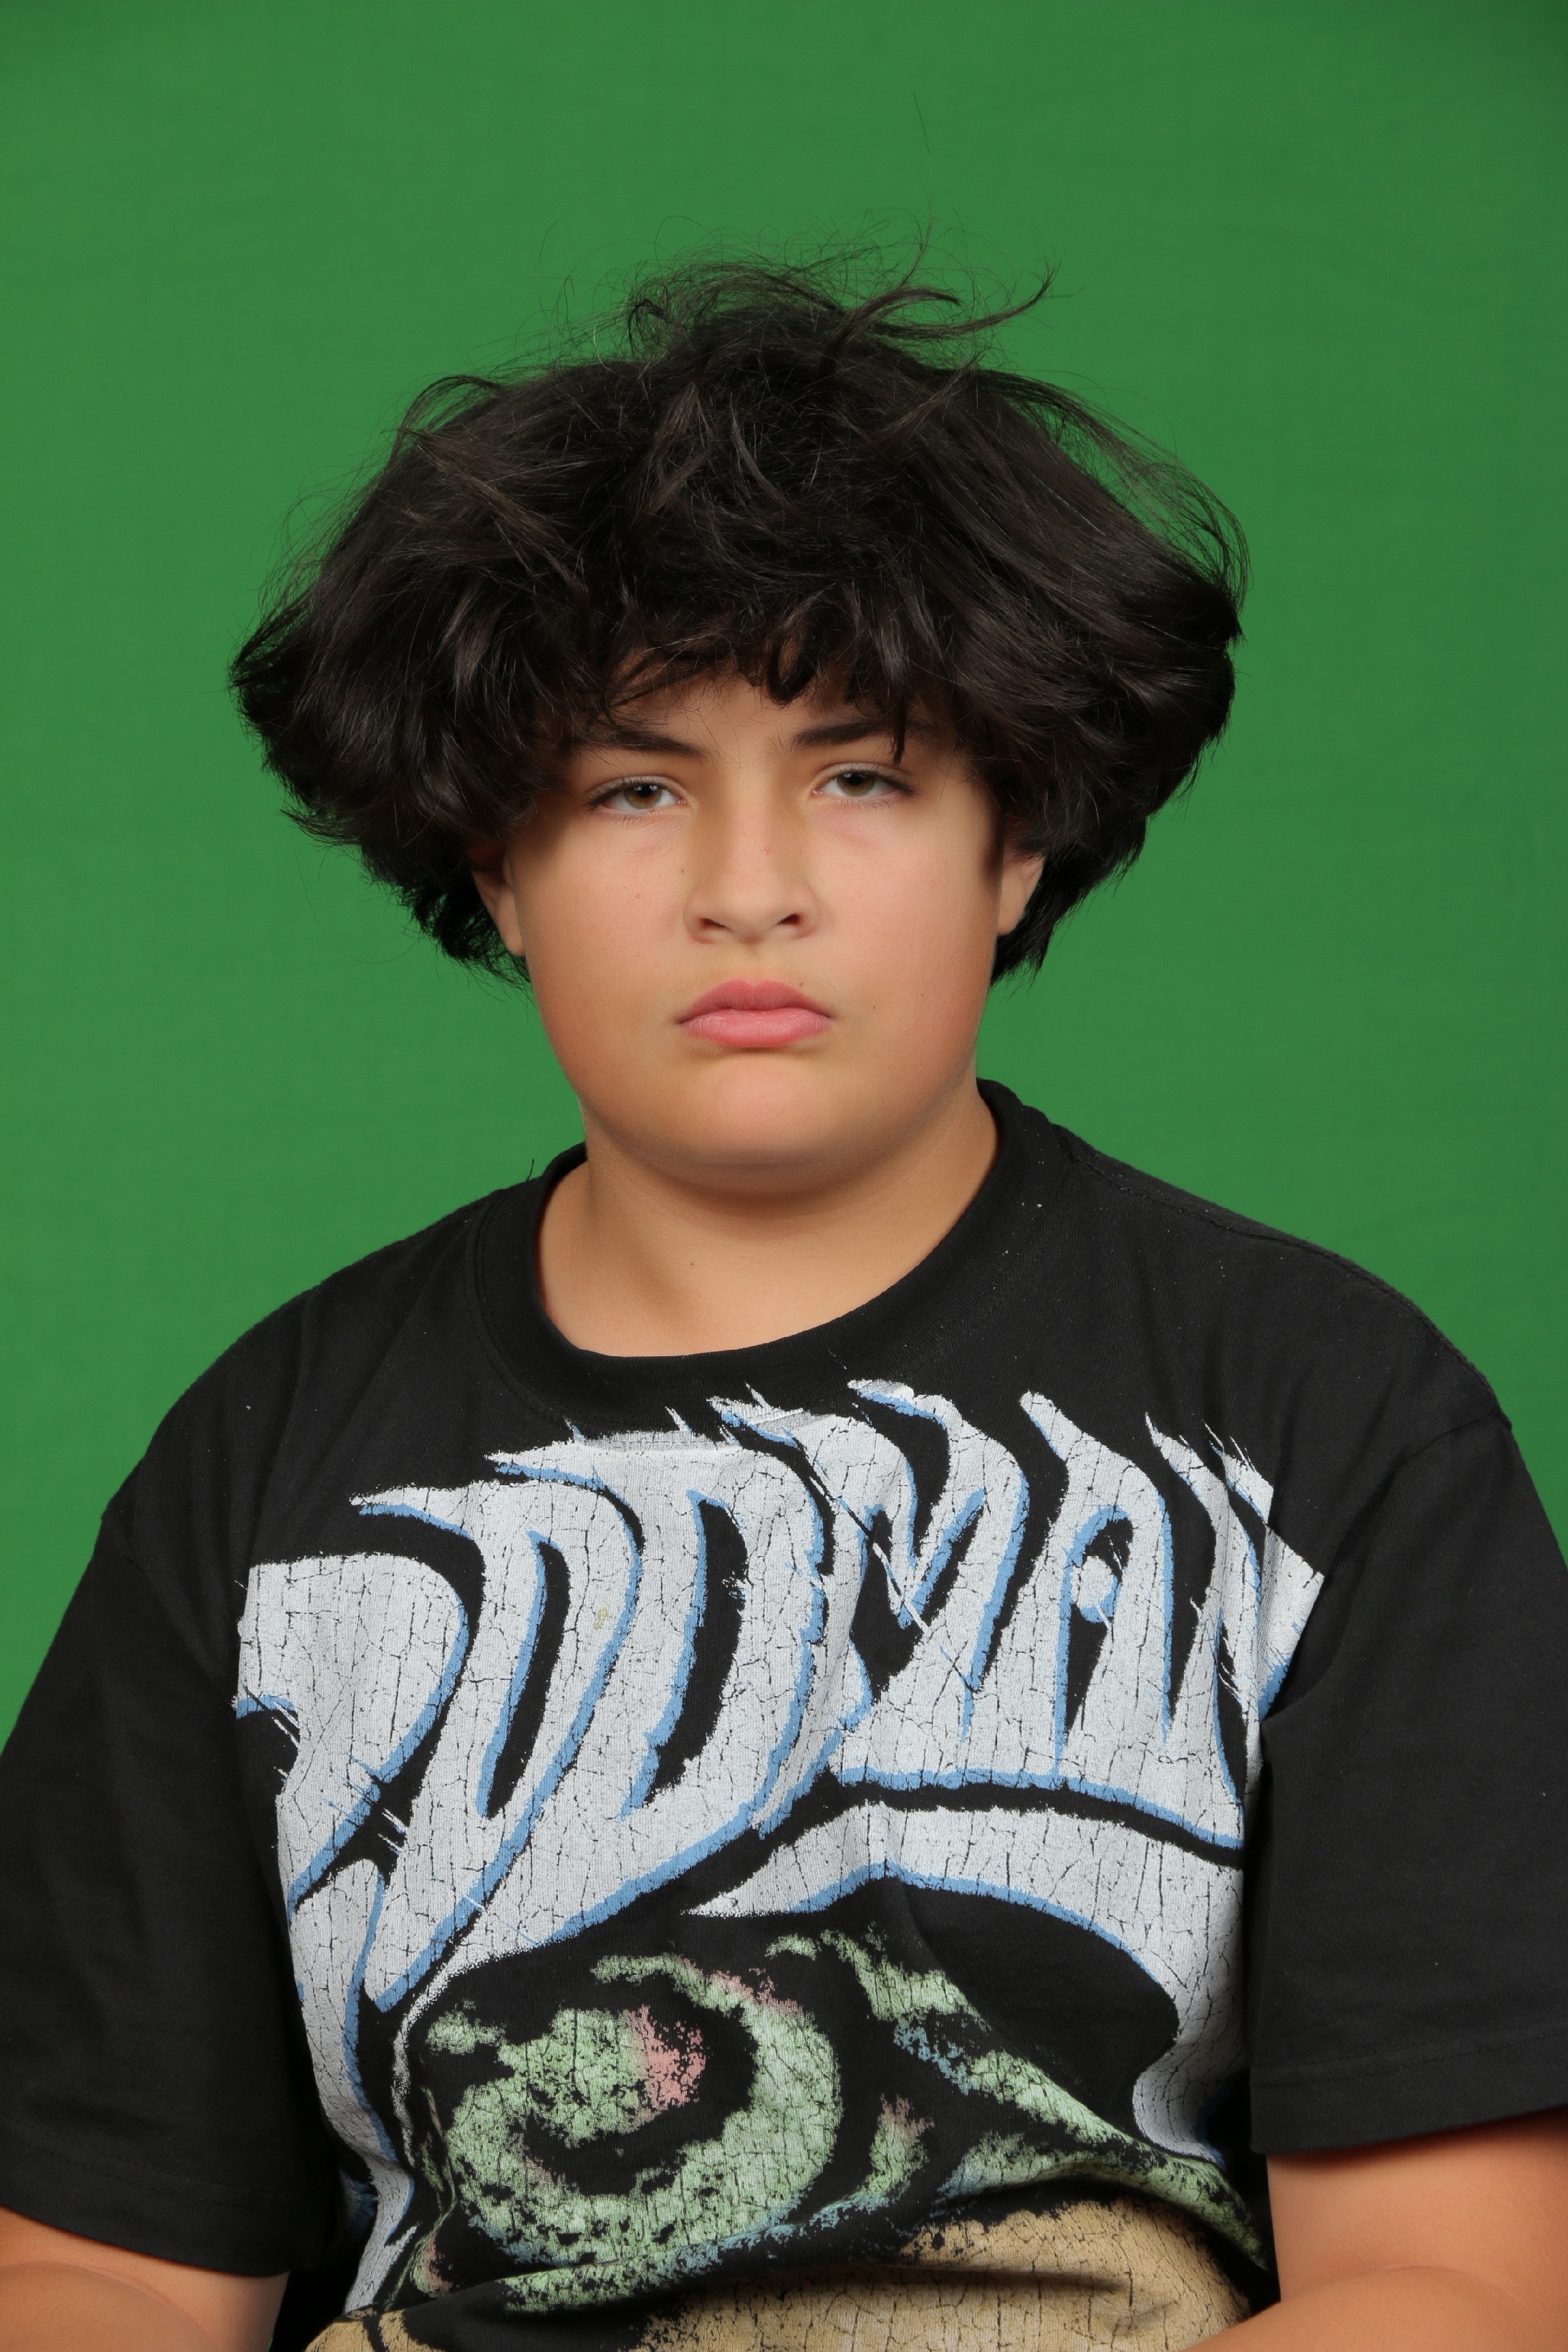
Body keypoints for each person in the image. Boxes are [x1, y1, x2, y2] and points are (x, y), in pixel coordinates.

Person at [0, 259, 1564, 2352]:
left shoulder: (1328, 1421)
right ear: (498, 866)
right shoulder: (264, 1476)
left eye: (865, 775)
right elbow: (97, 2264)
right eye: (634, 788)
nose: (752, 888)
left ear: (1019, 843)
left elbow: (1459, 2283)